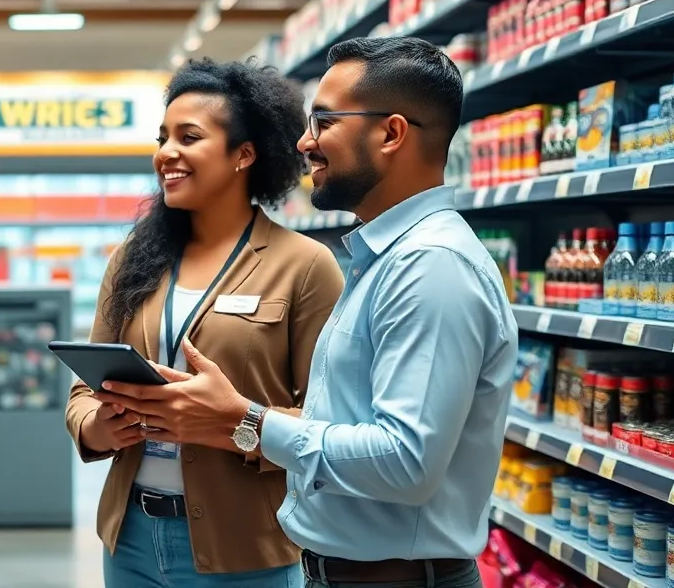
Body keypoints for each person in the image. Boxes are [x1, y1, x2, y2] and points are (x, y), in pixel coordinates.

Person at [97, 37, 517, 588]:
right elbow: (337, 419)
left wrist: (242, 421)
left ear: (391, 133)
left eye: (323, 121)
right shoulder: (380, 259)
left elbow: (406, 462)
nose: (305, 141)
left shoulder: (429, 267)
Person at [65, 58, 344, 587]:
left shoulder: (304, 266)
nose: (166, 152)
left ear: (244, 154)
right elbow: (83, 391)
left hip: (244, 550)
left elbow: (330, 422)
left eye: (188, 137)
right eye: (163, 136)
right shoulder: (133, 260)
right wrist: (96, 428)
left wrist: (234, 425)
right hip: (130, 544)